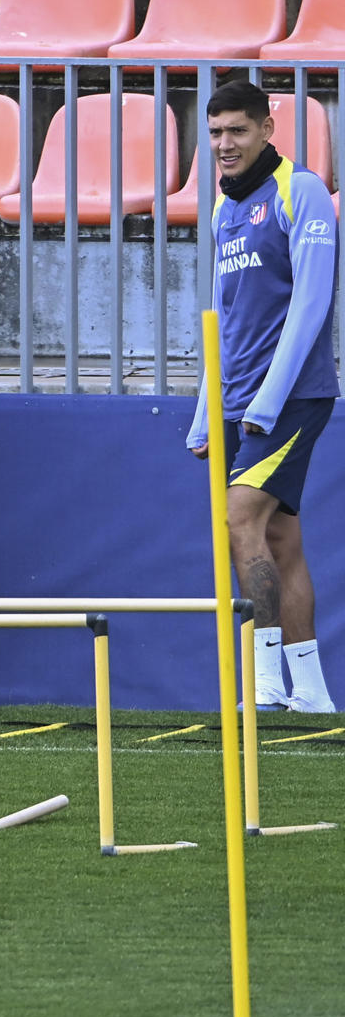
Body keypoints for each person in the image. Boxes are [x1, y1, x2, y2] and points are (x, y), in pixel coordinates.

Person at [188, 78, 339, 713]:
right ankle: (311, 692)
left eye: (238, 131)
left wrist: (266, 402)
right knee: (280, 542)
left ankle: (264, 677)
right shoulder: (226, 208)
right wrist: (205, 410)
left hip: (291, 398)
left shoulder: (300, 191)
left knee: (239, 519)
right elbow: (222, 314)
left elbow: (311, 303)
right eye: (216, 132)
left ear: (268, 129)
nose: (225, 144)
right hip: (237, 400)